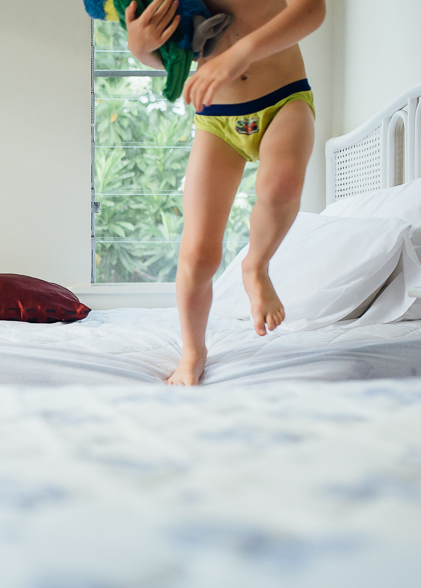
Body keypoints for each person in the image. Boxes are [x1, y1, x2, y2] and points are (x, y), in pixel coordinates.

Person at [124, 0, 325, 385]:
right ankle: (193, 353)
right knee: (198, 254)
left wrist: (238, 55)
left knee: (280, 184)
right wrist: (140, 48)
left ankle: (256, 266)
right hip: (217, 120)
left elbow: (312, 11)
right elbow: (176, 54)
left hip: (284, 99)